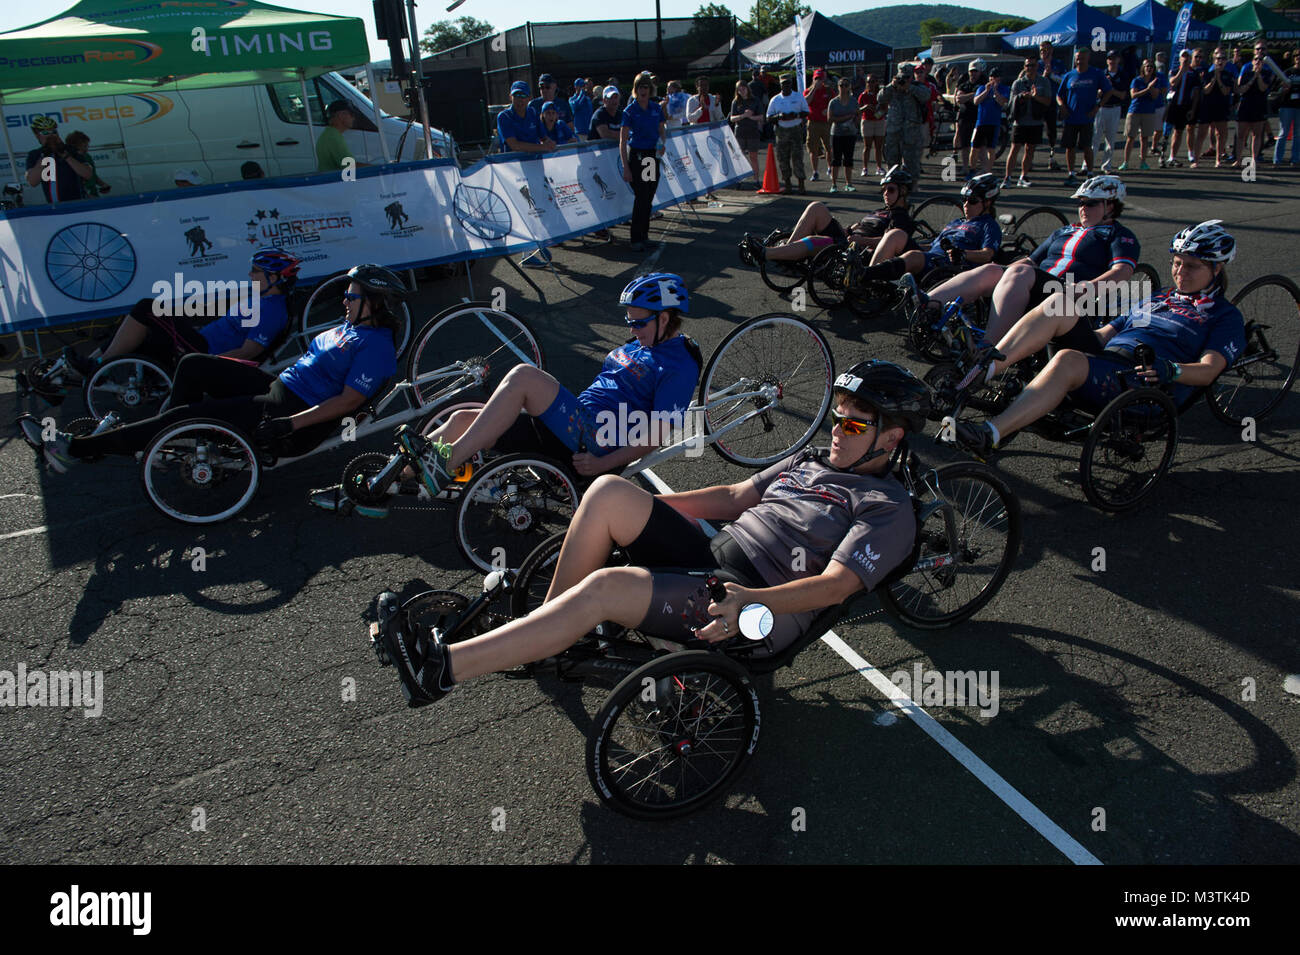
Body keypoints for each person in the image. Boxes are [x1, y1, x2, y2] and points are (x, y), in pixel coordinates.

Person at [368, 360, 927, 708]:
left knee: (607, 587)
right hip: (713, 554)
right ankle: (538, 632)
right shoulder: (809, 460)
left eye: (854, 424)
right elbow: (734, 498)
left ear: (891, 437)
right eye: (837, 416)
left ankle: (441, 670)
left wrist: (752, 599)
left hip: (754, 605)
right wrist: (645, 507)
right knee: (609, 492)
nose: (837, 431)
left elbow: (833, 587)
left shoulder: (887, 506)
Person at [312, 274, 701, 517]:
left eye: (638, 321)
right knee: (463, 419)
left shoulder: (678, 365)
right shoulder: (641, 346)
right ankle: (377, 483)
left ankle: (445, 465)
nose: (631, 328)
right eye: (628, 321)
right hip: (574, 424)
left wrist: (602, 466)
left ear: (665, 317)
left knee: (524, 377)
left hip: (597, 444)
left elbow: (659, 434)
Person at [23, 264, 403, 474]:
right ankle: (170, 433)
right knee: (193, 365)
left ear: (374, 302)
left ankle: (76, 449)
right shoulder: (349, 326)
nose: (345, 298)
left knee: (189, 415)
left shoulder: (377, 347)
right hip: (279, 386)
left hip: (293, 411)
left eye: (352, 295)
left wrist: (291, 424)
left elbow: (347, 402)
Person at [949, 221, 1244, 458]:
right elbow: (1107, 334)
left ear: (1216, 268)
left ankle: (990, 434)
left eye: (1191, 266)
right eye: (1177, 263)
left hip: (1145, 379)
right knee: (1059, 304)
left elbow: (1209, 370)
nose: (1180, 272)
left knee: (1068, 360)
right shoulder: (1162, 296)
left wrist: (1174, 370)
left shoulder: (1224, 316)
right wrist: (1064, 331)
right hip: (1110, 360)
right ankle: (983, 369)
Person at [909, 175, 1140, 344]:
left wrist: (1087, 288)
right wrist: (1001, 271)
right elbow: (1031, 261)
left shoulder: (1119, 235)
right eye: (1080, 203)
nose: (1082, 208)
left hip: (1068, 294)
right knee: (993, 269)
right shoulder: (1065, 230)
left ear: (1110, 205)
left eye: (1090, 203)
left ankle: (989, 347)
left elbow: (1122, 272)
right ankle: (927, 304)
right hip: (1037, 282)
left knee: (1019, 273)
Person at [62, 248, 301, 382]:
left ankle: (98, 369)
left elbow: (247, 353)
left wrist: (201, 365)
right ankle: (84, 373)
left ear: (275, 278)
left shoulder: (272, 311)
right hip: (200, 340)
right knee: (130, 331)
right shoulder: (263, 297)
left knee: (147, 308)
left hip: (202, 352)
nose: (250, 275)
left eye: (256, 271)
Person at [739, 164, 916, 267]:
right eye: (884, 190)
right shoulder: (882, 211)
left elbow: (891, 243)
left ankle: (767, 253)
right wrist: (851, 229)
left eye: (891, 190)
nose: (885, 193)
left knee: (816, 242)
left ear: (903, 192)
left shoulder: (901, 218)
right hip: (845, 237)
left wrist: (862, 240)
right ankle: (788, 251)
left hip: (855, 250)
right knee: (816, 207)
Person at [848, 173, 1002, 288]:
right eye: (964, 200)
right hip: (933, 257)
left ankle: (864, 276)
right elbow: (933, 245)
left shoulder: (989, 225)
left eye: (972, 200)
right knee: (896, 234)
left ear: (987, 202)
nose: (966, 204)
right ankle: (869, 277)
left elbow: (987, 254)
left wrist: (963, 253)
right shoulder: (956, 222)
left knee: (914, 256)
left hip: (950, 266)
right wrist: (906, 246)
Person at [620, 75, 668, 253]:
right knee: (640, 196)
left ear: (650, 89)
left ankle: (644, 236)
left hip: (651, 156)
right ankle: (635, 238)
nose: (643, 90)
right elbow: (623, 140)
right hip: (637, 155)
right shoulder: (630, 111)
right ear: (635, 89)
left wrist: (662, 143)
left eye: (646, 87)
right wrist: (626, 167)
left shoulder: (656, 108)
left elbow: (662, 131)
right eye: (640, 87)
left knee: (648, 195)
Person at [1058, 48, 1111, 184]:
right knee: (1070, 146)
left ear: (1088, 58)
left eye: (1082, 58)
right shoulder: (1069, 75)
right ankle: (1071, 173)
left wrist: (1097, 107)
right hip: (1071, 117)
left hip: (1087, 117)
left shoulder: (1096, 74)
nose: (1079, 61)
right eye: (1077, 58)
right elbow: (1059, 95)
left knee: (1087, 146)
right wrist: (1062, 106)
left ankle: (1090, 172)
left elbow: (1108, 91)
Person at [879, 63, 930, 183]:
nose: (903, 80)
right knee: (892, 159)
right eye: (902, 77)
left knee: (912, 161)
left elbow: (926, 96)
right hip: (894, 129)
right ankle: (892, 184)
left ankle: (913, 185)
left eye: (906, 77)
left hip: (911, 130)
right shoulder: (892, 88)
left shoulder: (917, 87)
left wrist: (909, 87)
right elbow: (880, 98)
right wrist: (892, 85)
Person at [1005, 56, 1052, 187]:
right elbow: (1010, 103)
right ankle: (1007, 177)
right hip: (1020, 121)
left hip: (1036, 121)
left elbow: (1048, 101)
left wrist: (1036, 97)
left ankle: (1023, 176)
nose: (1030, 68)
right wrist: (1021, 97)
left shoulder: (1043, 82)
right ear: (1024, 67)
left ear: (1037, 67)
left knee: (1030, 149)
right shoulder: (1018, 83)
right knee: (1014, 148)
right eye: (1027, 66)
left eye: (1032, 65)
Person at [24, 116, 92, 203]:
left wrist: (65, 155)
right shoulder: (34, 155)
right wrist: (44, 156)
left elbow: (88, 174)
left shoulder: (71, 150)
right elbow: (32, 182)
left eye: (53, 132)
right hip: (55, 208)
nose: (51, 135)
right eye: (45, 132)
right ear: (37, 135)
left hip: (78, 204)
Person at [1236, 42, 1280, 168]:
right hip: (1245, 103)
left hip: (1259, 102)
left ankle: (1254, 159)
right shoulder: (1246, 67)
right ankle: (1238, 160)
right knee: (1241, 134)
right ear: (1254, 52)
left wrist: (1258, 74)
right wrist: (1252, 75)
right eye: (1257, 49)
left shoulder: (1268, 69)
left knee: (1257, 134)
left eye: (1263, 49)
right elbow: (1240, 87)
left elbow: (1263, 88)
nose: (1260, 51)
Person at [766, 73, 810, 194]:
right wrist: (780, 116)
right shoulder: (775, 99)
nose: (786, 86)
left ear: (791, 84)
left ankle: (801, 185)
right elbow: (769, 117)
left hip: (795, 129)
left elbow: (806, 111)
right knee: (783, 159)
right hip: (782, 131)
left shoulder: (798, 97)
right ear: (780, 85)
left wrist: (795, 115)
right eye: (783, 84)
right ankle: (788, 184)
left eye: (788, 84)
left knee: (798, 158)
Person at [1120, 59, 1165, 170]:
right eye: (1147, 66)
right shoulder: (1136, 80)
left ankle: (1143, 162)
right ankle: (1125, 162)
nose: (1149, 68)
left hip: (1149, 112)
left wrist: (1152, 88)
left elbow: (1155, 96)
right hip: (1135, 111)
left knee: (1144, 138)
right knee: (1130, 137)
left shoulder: (1156, 81)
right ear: (1143, 68)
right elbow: (1133, 95)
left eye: (1151, 67)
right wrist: (1147, 89)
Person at [947, 59, 986, 180]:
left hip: (979, 118)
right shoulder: (964, 84)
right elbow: (959, 99)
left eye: (975, 71)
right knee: (964, 145)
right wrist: (972, 95)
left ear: (980, 72)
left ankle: (984, 168)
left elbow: (981, 97)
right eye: (971, 71)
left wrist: (968, 96)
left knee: (980, 145)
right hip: (965, 117)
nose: (973, 74)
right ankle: (965, 167)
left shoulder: (983, 84)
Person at [1162, 50, 1200, 168]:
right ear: (1179, 59)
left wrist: (1193, 109)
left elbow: (1196, 93)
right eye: (1183, 57)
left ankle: (1173, 156)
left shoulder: (1193, 73)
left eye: (1188, 57)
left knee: (1179, 131)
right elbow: (1172, 82)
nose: (1185, 59)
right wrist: (1181, 71)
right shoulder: (1174, 70)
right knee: (1166, 131)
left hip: (1184, 106)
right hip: (1172, 105)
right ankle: (1162, 155)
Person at [1198, 49, 1236, 167]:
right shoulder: (1207, 74)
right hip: (1208, 106)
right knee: (1201, 133)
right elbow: (1205, 90)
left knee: (1221, 134)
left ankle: (1218, 159)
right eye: (1218, 59)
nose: (1220, 61)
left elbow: (1226, 91)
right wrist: (1213, 79)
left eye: (1223, 59)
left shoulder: (1228, 75)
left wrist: (1219, 79)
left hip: (1221, 106)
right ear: (1214, 60)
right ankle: (1195, 160)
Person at [972, 66, 1010, 179]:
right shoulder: (982, 88)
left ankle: (988, 171)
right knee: (974, 148)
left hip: (994, 123)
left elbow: (1002, 102)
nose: (994, 79)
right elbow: (976, 101)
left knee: (991, 149)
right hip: (981, 122)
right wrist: (986, 91)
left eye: (996, 77)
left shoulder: (1004, 88)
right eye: (992, 77)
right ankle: (972, 170)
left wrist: (996, 91)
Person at [1094, 50, 1128, 173]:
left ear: (1118, 60)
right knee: (1095, 138)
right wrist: (1102, 89)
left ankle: (1106, 166)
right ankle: (1087, 165)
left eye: (1114, 58)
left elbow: (1123, 95)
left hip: (1114, 107)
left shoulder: (1122, 75)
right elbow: (1096, 93)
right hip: (1101, 107)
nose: (1112, 61)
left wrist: (1110, 88)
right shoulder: (1101, 74)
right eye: (1110, 58)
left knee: (1110, 139)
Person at [498, 80, 555, 153]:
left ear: (529, 98)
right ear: (510, 97)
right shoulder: (504, 117)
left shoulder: (533, 113)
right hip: (513, 161)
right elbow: (514, 145)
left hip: (535, 159)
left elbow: (544, 137)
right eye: (516, 96)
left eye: (523, 96)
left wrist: (550, 143)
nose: (520, 100)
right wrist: (543, 147)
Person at [1037, 41, 1067, 170]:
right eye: (1042, 50)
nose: (1044, 52)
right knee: (1035, 129)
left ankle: (1052, 157)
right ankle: (1030, 158)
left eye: (1047, 49)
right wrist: (1044, 76)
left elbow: (1064, 81)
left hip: (1052, 101)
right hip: (1038, 101)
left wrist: (1052, 75)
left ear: (1052, 50)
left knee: (1051, 130)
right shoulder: (1036, 65)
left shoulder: (1058, 64)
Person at [827, 77, 860, 192]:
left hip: (850, 133)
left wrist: (855, 123)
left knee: (848, 159)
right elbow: (830, 118)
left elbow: (857, 114)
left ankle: (848, 183)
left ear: (849, 87)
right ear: (838, 87)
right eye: (841, 85)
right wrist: (846, 117)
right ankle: (834, 184)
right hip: (837, 133)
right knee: (836, 159)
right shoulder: (834, 102)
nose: (844, 88)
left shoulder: (853, 101)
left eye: (846, 85)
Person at [729, 80, 763, 184]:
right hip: (740, 131)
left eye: (743, 88)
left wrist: (751, 117)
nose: (741, 91)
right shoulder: (736, 102)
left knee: (753, 156)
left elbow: (761, 116)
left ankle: (756, 179)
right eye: (739, 90)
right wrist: (743, 116)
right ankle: (740, 179)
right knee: (740, 156)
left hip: (752, 131)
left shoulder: (755, 100)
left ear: (747, 88)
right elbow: (732, 118)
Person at [317, 101, 365, 173]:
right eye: (352, 114)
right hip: (334, 181)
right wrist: (376, 168)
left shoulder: (329, 133)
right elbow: (350, 166)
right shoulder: (333, 137)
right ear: (341, 115)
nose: (353, 118)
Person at [804, 68, 833, 182]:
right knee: (813, 148)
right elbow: (806, 102)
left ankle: (830, 168)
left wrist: (828, 110)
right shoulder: (808, 91)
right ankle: (815, 171)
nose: (819, 81)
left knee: (829, 147)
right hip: (813, 123)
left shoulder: (829, 91)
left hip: (826, 123)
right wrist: (814, 89)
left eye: (821, 79)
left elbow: (834, 102)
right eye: (817, 79)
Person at [62, 131, 110, 198]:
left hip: (94, 194)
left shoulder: (87, 156)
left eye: (87, 145)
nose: (87, 149)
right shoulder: (70, 161)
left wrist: (103, 184)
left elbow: (92, 174)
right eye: (84, 146)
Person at [1275, 50, 1300, 165]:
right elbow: (1279, 90)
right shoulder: (1288, 72)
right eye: (1295, 56)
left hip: (1299, 106)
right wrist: (1284, 89)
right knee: (1283, 133)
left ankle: (1295, 159)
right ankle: (1277, 159)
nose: (1298, 58)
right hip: (1287, 106)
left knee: (1298, 134)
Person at [858, 74, 885, 177]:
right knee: (867, 146)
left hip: (879, 122)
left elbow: (885, 108)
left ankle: (879, 167)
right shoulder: (863, 95)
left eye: (873, 82)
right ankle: (865, 168)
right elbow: (858, 110)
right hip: (867, 121)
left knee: (879, 146)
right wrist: (865, 108)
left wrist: (877, 114)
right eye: (869, 82)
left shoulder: (880, 94)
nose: (871, 84)